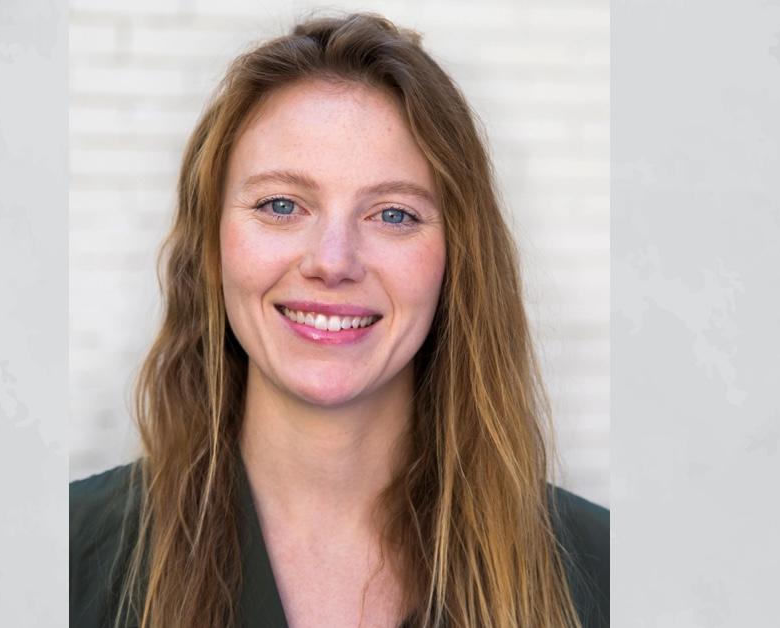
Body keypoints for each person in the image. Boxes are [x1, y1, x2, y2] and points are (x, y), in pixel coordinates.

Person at [71, 12, 609, 628]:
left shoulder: (602, 571)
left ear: (458, 259)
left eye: (394, 215)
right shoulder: (68, 556)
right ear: (212, 244)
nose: (333, 262)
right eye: (281, 205)